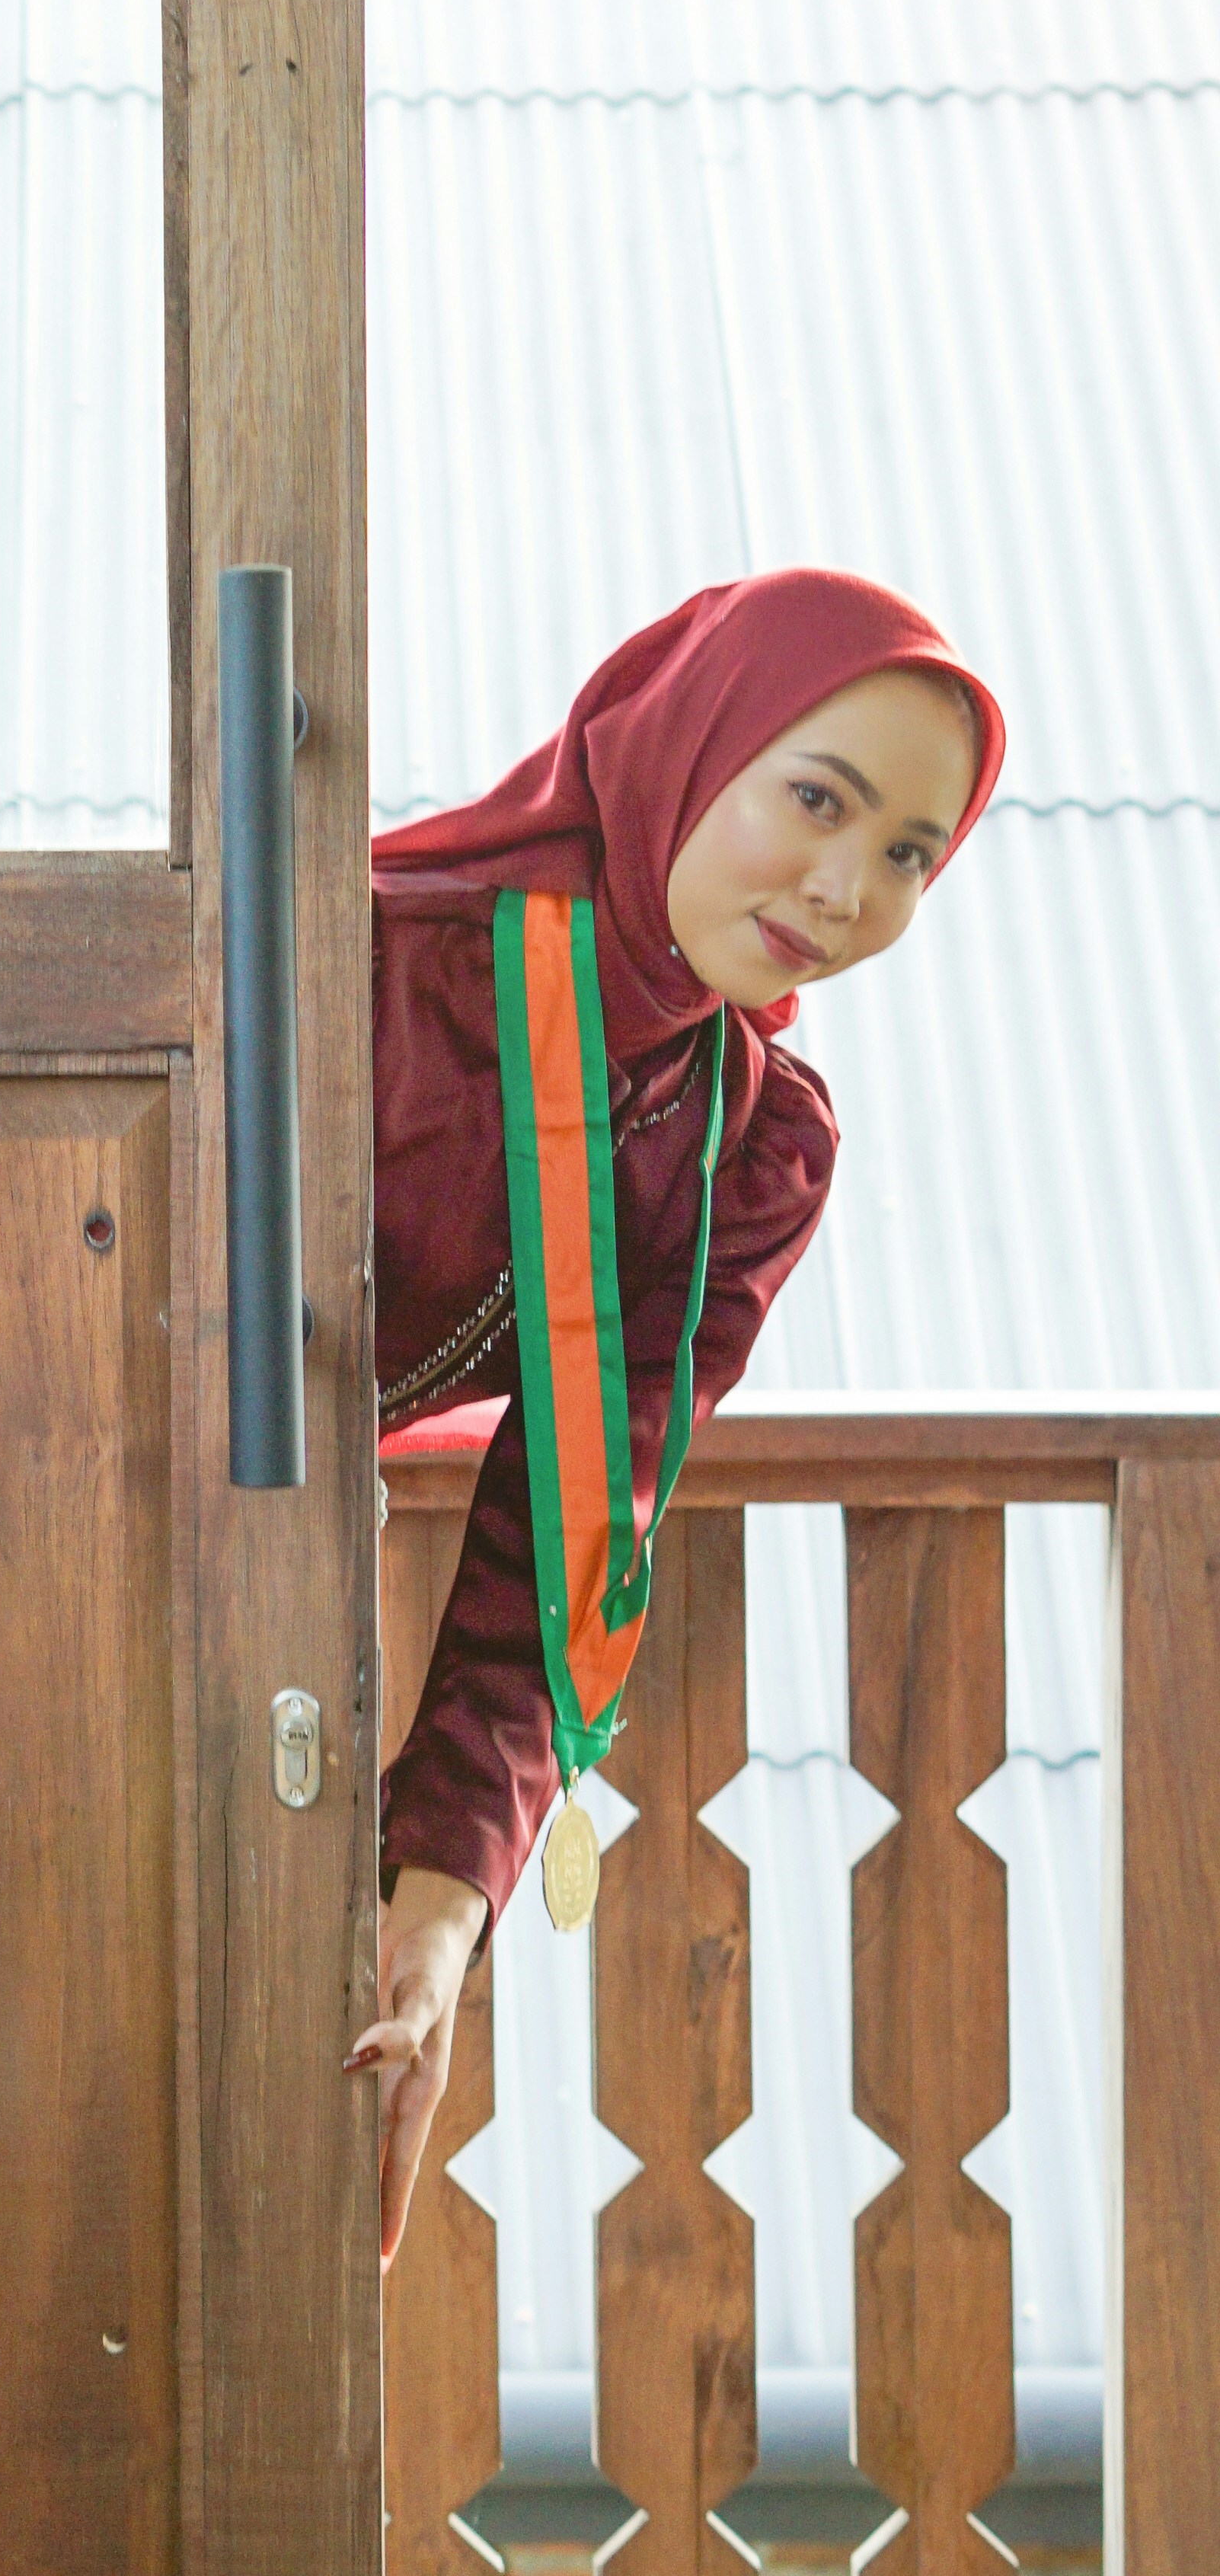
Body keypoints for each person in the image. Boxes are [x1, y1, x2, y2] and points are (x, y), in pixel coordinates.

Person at [349, 570, 1005, 2268]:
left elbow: (570, 1527)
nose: (846, 891)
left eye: (910, 853)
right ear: (683, 744)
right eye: (817, 801)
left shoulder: (749, 1143)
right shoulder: (364, 965)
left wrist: (436, 1920)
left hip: (253, 1634)